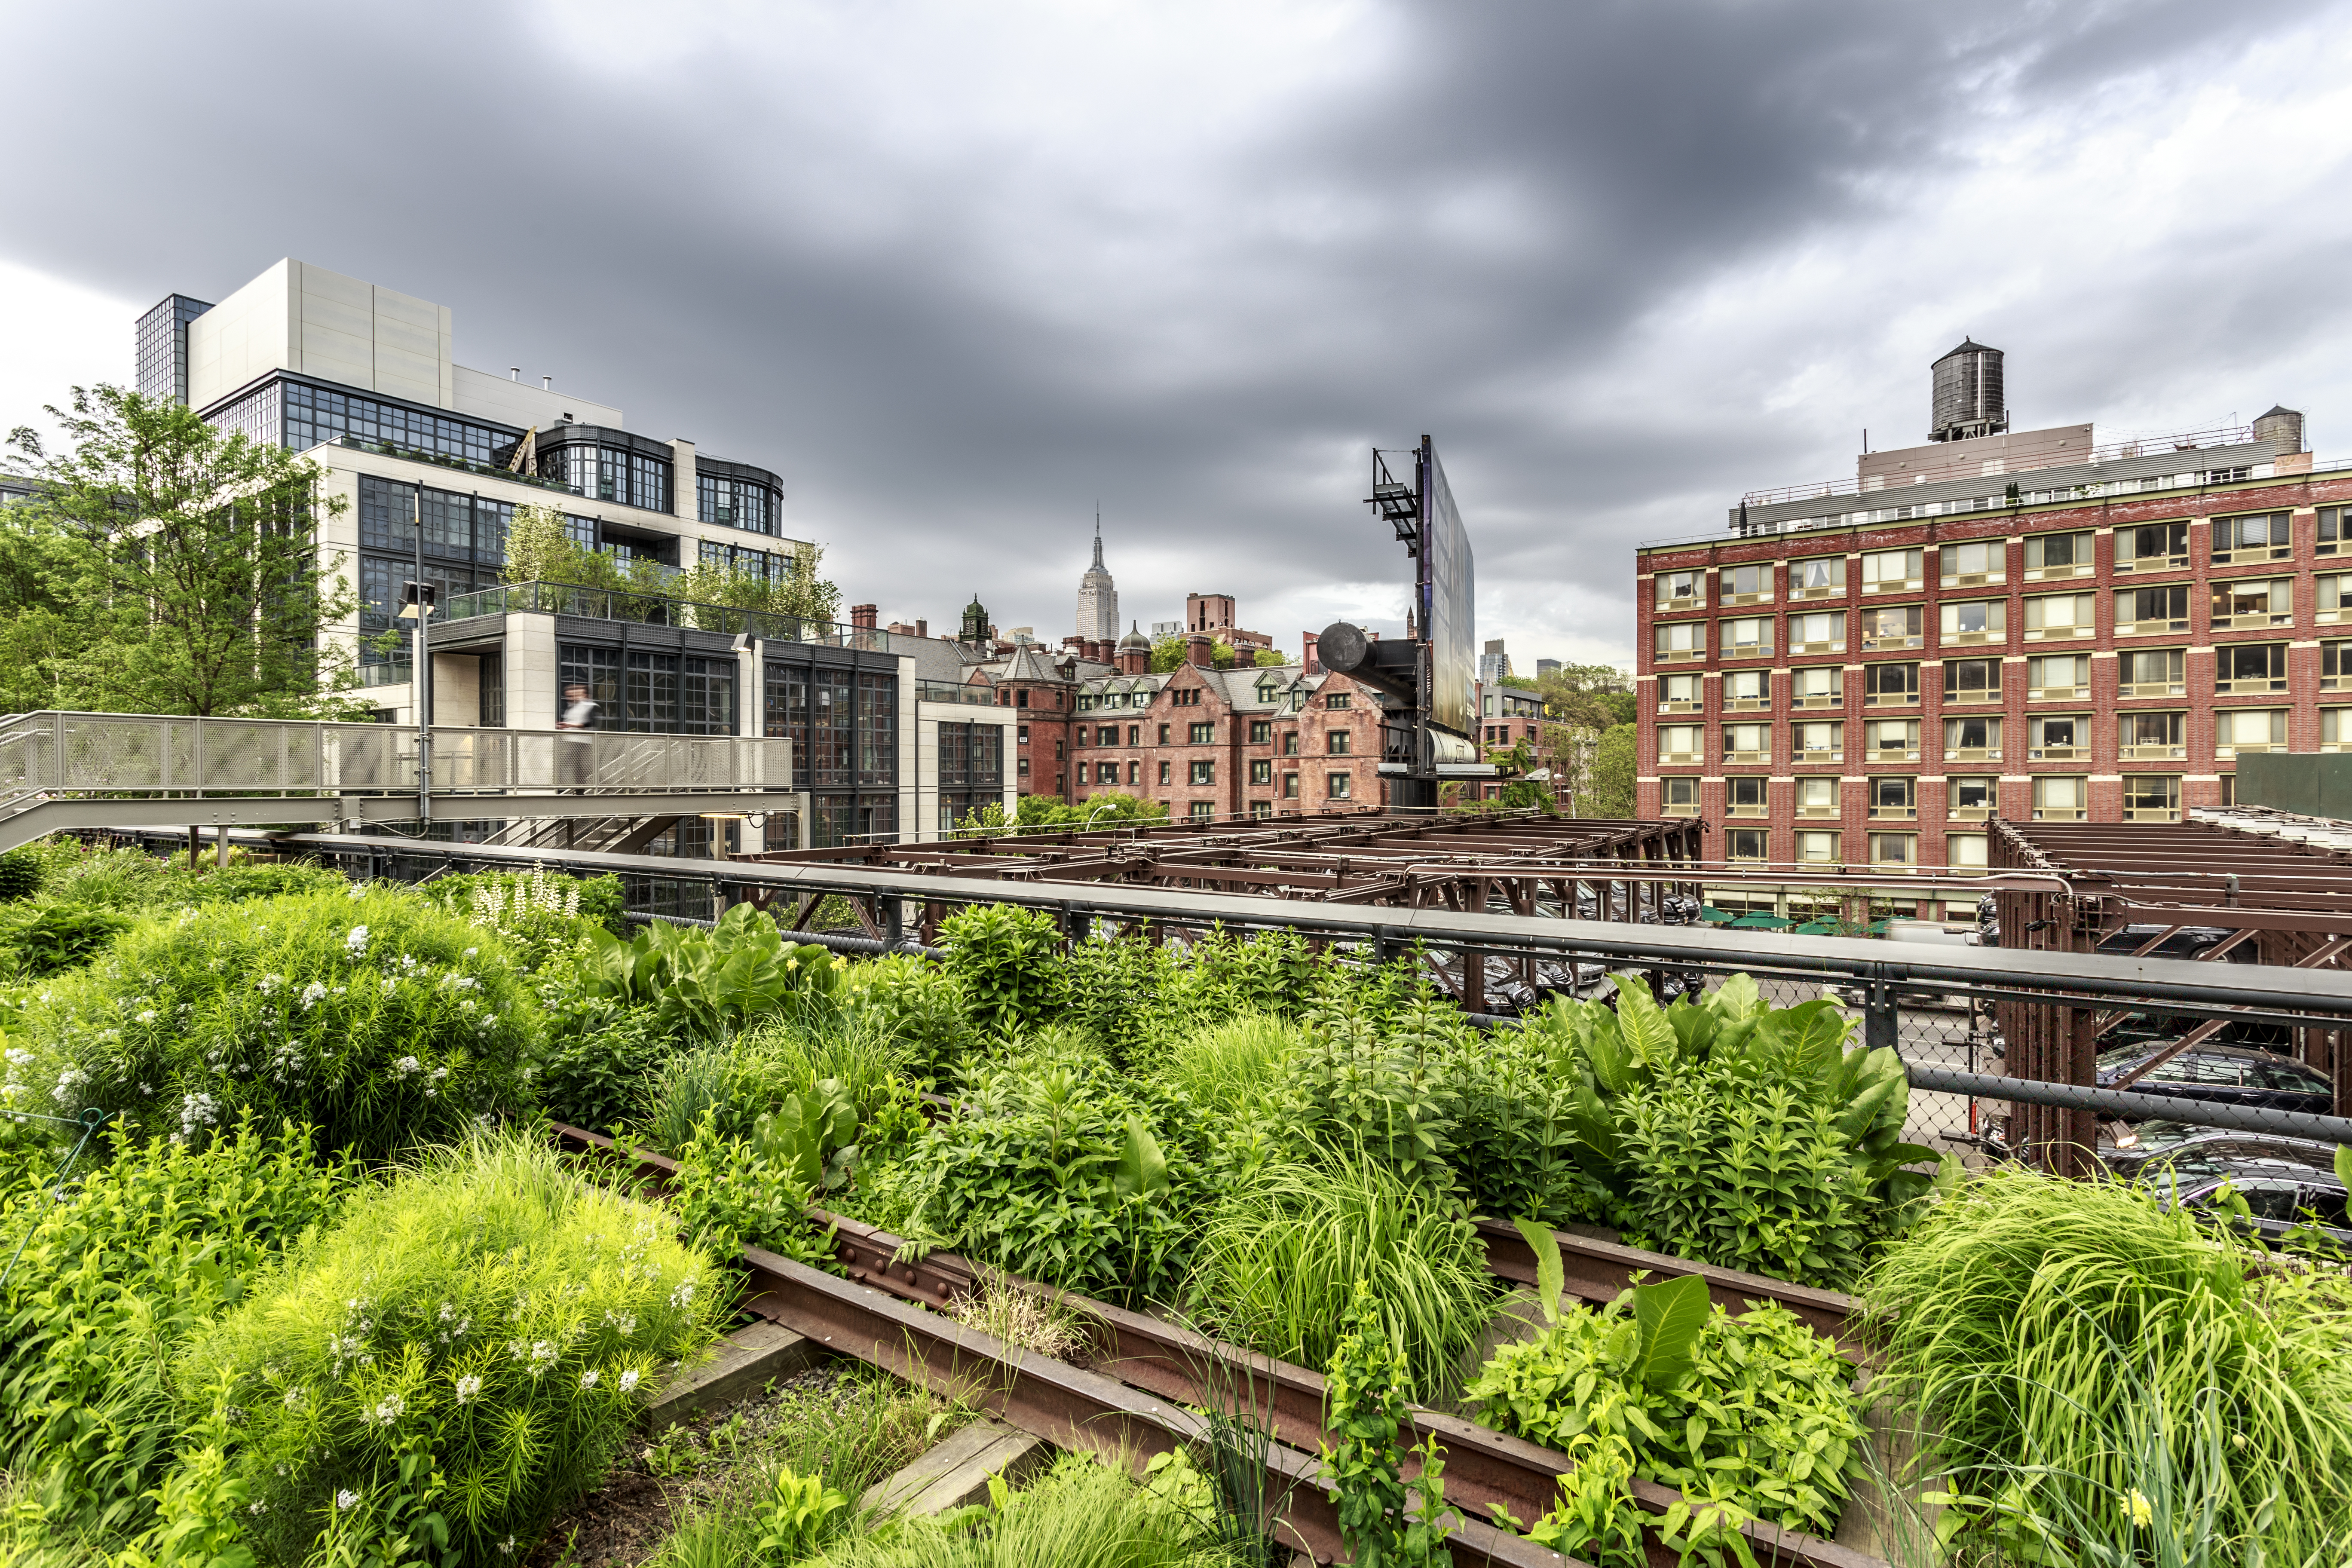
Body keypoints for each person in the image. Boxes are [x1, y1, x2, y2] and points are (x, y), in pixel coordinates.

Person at [557, 683, 600, 789]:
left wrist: (570, 725)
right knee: (574, 766)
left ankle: (582, 788)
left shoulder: (591, 706)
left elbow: (590, 723)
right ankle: (578, 788)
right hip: (571, 740)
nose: (571, 698)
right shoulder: (572, 707)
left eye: (574, 695)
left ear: (585, 695)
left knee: (582, 766)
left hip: (583, 741)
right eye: (569, 696)